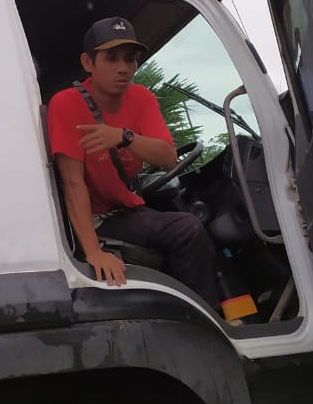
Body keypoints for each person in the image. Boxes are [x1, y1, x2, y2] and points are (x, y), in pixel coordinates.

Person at [46, 17, 219, 306]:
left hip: (127, 208)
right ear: (88, 62)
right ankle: (203, 315)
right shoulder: (66, 104)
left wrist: (124, 137)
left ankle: (224, 307)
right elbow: (72, 184)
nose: (123, 68)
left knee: (195, 214)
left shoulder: (141, 98)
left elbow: (167, 158)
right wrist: (93, 253)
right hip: (98, 220)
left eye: (130, 59)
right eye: (111, 58)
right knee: (187, 229)